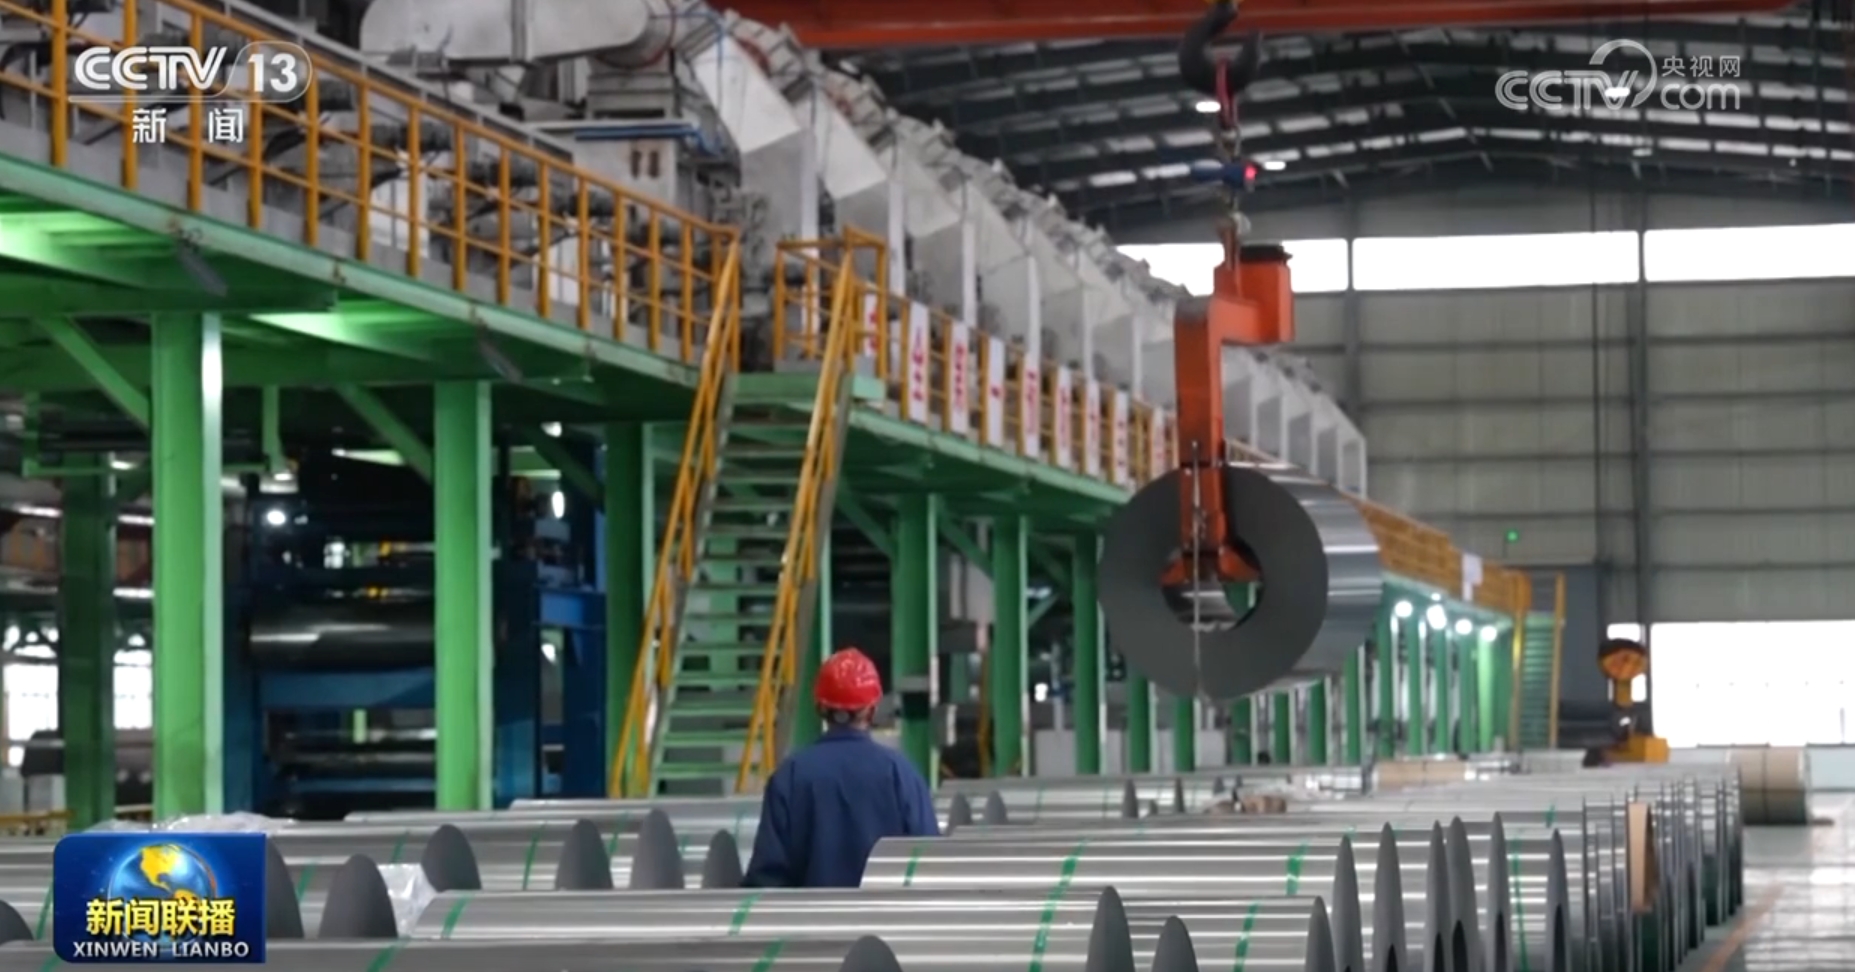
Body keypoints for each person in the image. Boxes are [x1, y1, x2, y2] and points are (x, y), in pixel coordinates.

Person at [741, 648, 940, 888]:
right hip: (886, 912)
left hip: (811, 913)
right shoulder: (901, 773)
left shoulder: (790, 776)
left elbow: (767, 878)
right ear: (872, 709)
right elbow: (929, 862)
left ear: (820, 708)